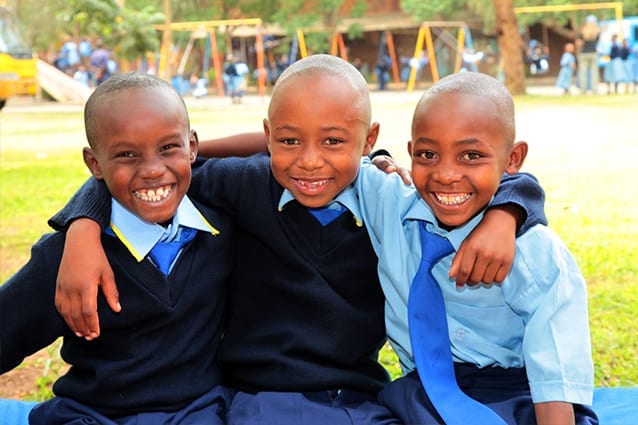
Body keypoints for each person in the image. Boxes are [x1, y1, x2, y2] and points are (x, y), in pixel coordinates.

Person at [49, 55, 546, 425]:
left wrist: (507, 212)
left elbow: (491, 177)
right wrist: (83, 227)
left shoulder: (385, 202)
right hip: (255, 400)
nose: (309, 161)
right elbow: (137, 172)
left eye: (333, 142)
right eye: (288, 142)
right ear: (269, 139)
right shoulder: (248, 185)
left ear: (368, 141)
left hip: (359, 400)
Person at [354, 72, 597, 425]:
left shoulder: (534, 252)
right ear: (410, 153)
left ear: (513, 159)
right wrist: (378, 158)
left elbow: (554, 370)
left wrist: (510, 209)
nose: (446, 174)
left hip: (518, 393)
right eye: (428, 154)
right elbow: (314, 150)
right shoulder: (389, 204)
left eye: (470, 155)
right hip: (421, 393)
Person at [0, 72, 235, 423]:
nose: (153, 170)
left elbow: (282, 151)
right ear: (94, 164)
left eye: (169, 147)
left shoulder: (226, 226)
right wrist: (82, 226)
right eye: (127, 154)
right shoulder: (66, 257)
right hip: (94, 414)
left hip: (199, 412)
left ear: (193, 147)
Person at [576, 15, 601, 94]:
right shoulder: (597, 31)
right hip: (593, 53)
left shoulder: (583, 31)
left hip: (584, 53)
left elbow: (578, 43)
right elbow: (598, 42)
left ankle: (583, 90)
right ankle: (595, 90)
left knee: (583, 73)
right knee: (594, 73)